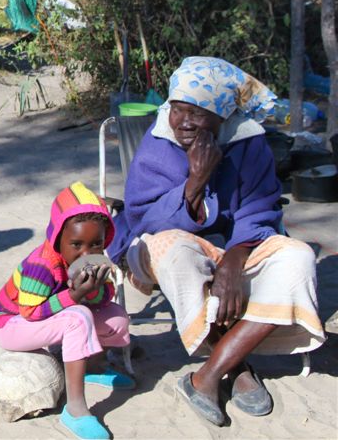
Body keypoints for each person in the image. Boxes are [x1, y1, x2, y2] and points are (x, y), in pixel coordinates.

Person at [108, 56, 325, 427]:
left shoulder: (248, 143)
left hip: (237, 243)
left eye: (198, 113)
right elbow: (143, 219)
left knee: (298, 259)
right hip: (162, 244)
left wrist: (234, 261)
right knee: (177, 254)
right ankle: (236, 365)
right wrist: (195, 182)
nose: (184, 122)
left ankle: (206, 375)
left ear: (223, 116)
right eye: (178, 109)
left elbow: (260, 210)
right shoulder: (159, 142)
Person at [0, 182, 133, 440]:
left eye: (96, 244)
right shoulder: (41, 265)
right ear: (58, 238)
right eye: (76, 244)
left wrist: (94, 290)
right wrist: (76, 295)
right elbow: (30, 311)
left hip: (51, 317)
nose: (86, 253)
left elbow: (103, 298)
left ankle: (94, 366)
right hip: (12, 324)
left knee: (117, 317)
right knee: (79, 317)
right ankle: (76, 409)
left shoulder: (95, 263)